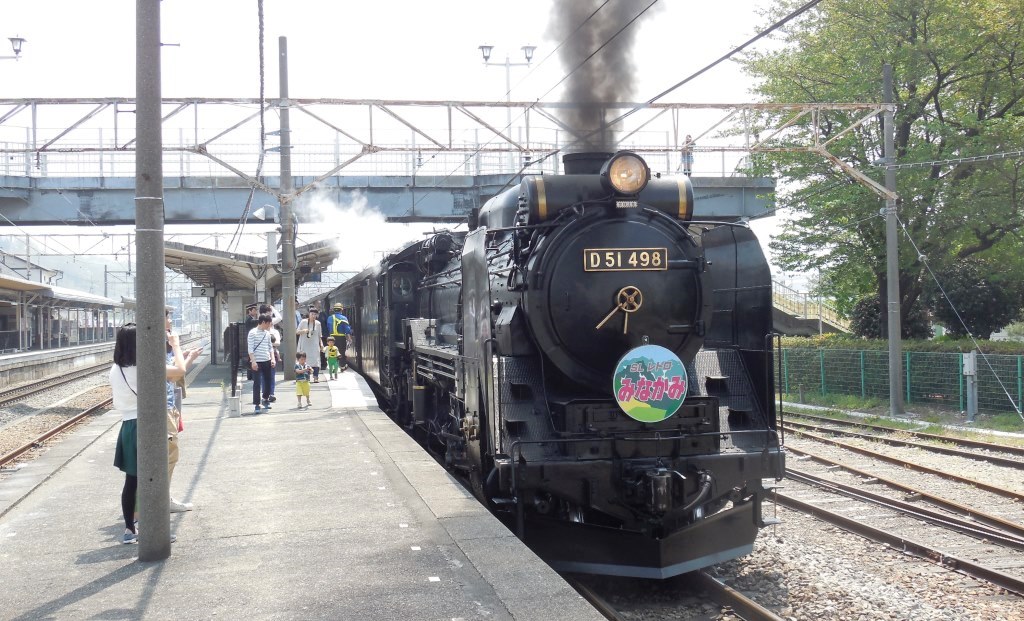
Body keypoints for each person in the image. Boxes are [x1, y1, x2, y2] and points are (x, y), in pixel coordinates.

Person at [111, 322, 188, 544]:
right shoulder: (147, 365)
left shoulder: (116, 369)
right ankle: (154, 529)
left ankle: (129, 530)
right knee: (154, 477)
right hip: (148, 424)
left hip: (127, 426)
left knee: (132, 481)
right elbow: (180, 371)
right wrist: (175, 345)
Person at [165, 309, 202, 513]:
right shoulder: (158, 343)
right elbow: (177, 372)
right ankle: (162, 499)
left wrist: (187, 356)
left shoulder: (162, 343)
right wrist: (177, 346)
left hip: (170, 404)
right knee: (169, 455)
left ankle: (163, 497)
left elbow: (175, 372)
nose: (170, 321)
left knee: (171, 454)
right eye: (168, 317)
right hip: (164, 406)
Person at [247, 313, 276, 414]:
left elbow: (270, 347)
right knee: (257, 383)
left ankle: (265, 398)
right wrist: (253, 361)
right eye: (268, 324)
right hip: (257, 362)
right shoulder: (252, 333)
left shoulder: (267, 334)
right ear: (263, 322)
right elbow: (250, 349)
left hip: (267, 360)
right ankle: (256, 404)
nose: (269, 326)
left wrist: (273, 359)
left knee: (268, 381)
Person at [296, 307, 323, 383]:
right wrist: (303, 331)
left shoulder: (318, 323)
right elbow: (297, 332)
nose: (313, 316)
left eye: (315, 314)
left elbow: (319, 335)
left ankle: (315, 377)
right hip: (304, 345)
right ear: (309, 314)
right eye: (312, 314)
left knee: (316, 361)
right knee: (305, 361)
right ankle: (306, 377)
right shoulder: (303, 322)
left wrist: (321, 344)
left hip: (314, 345)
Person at [325, 302, 353, 371]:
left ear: (334, 310)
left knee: (333, 352)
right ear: (341, 310)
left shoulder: (329, 318)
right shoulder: (343, 318)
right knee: (341, 352)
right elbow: (347, 329)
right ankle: (342, 366)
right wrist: (349, 339)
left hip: (331, 338)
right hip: (341, 338)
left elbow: (328, 327)